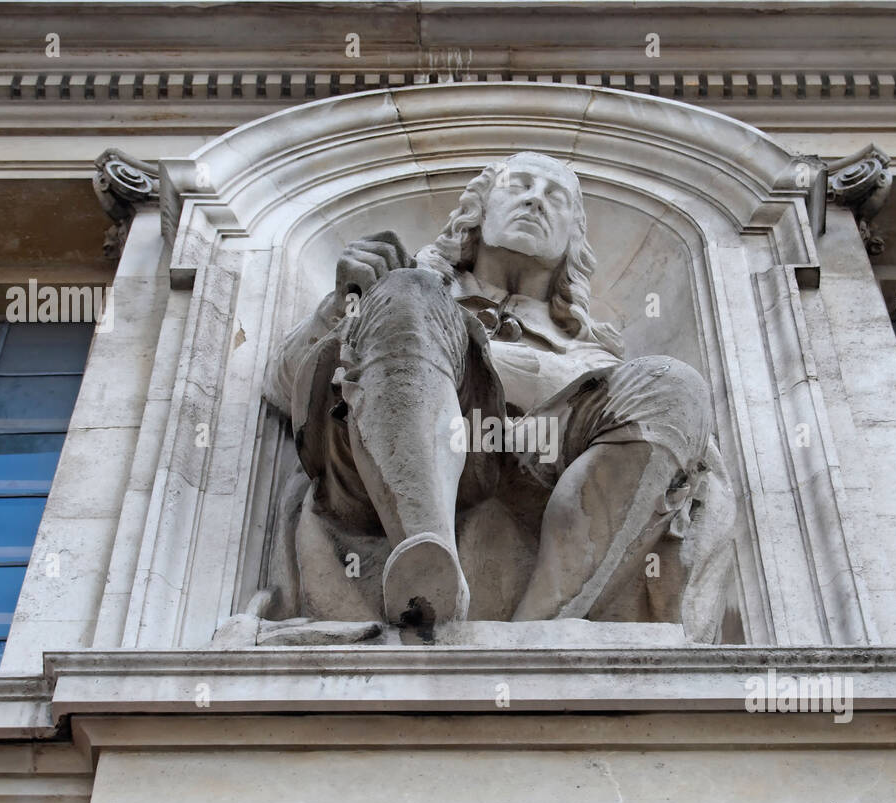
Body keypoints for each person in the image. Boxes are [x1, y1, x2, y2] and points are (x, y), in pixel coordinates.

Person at [267, 152, 712, 625]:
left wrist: (509, 365)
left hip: (543, 457)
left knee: (676, 385)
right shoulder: (406, 288)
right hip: (411, 454)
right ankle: (425, 559)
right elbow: (284, 383)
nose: (535, 201)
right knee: (409, 291)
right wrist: (341, 306)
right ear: (478, 210)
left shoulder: (592, 347)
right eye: (519, 186)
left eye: (554, 197)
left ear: (572, 240)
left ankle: (542, 631)